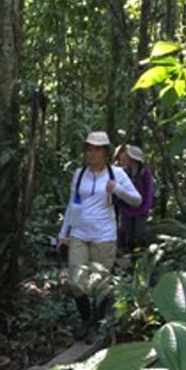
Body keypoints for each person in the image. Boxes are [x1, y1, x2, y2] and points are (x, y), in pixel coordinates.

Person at [57, 131, 142, 339]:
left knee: (102, 284)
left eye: (97, 149)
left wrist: (118, 189)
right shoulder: (79, 174)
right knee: (76, 283)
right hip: (79, 234)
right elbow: (72, 203)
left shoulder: (117, 174)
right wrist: (63, 233)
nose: (92, 154)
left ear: (106, 152)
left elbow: (137, 200)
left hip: (104, 236)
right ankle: (87, 319)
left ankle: (95, 325)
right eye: (89, 149)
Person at [115, 144, 155, 254]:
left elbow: (149, 191)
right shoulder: (123, 172)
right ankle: (127, 254)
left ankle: (140, 255)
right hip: (127, 208)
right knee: (126, 232)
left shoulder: (144, 172)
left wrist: (146, 207)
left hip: (141, 208)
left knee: (139, 233)